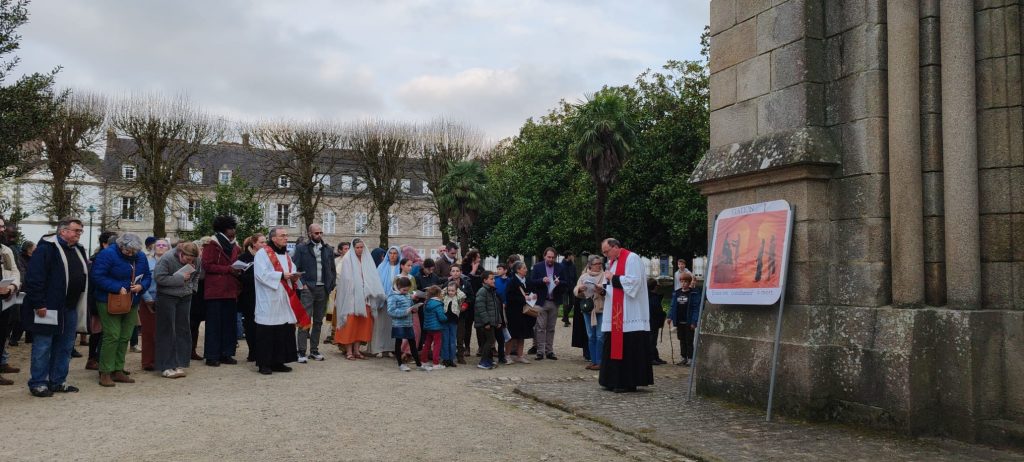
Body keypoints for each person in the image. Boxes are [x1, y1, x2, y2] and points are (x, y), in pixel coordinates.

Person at [22, 217, 89, 396]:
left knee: (66, 346)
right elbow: (34, 278)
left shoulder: (78, 249)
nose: (79, 234)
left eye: (80, 231)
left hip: (70, 307)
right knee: (43, 345)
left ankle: (58, 381)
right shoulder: (46, 249)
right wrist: (39, 304)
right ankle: (38, 383)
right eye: (76, 231)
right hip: (48, 307)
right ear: (63, 231)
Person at [91, 233, 152, 387]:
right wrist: (117, 287)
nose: (131, 254)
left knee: (125, 335)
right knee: (112, 335)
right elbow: (97, 276)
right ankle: (105, 371)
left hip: (132, 301)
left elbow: (147, 276)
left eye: (134, 252)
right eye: (128, 251)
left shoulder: (141, 256)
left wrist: (141, 286)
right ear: (120, 246)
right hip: (109, 300)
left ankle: (118, 369)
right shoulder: (107, 254)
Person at [598, 238, 653, 392]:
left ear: (615, 247)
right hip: (616, 313)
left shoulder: (632, 258)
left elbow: (634, 283)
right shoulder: (613, 262)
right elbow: (613, 288)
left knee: (628, 348)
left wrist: (612, 278)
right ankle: (612, 380)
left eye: (606, 251)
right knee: (612, 345)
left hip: (630, 313)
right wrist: (602, 289)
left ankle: (627, 382)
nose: (605, 255)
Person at [252, 227, 303, 375]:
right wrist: (281, 275)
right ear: (273, 238)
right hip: (269, 297)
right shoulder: (263, 253)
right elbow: (261, 274)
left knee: (283, 329)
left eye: (286, 235)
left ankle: (279, 361)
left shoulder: (286, 254)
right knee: (267, 331)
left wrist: (294, 276)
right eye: (283, 235)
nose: (286, 238)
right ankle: (264, 364)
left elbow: (291, 269)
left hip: (283, 297)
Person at [152, 241, 200, 378]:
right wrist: (179, 278)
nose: (189, 262)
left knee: (183, 330)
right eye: (186, 259)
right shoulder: (166, 258)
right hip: (167, 297)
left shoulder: (196, 259)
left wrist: (192, 288)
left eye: (192, 260)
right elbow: (159, 278)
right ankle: (165, 366)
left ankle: (179, 363)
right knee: (167, 331)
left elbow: (197, 274)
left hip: (185, 297)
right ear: (181, 253)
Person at [200, 216, 242, 367]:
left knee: (229, 324)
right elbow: (207, 265)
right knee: (214, 325)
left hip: (230, 289)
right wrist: (228, 269)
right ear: (225, 229)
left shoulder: (235, 246)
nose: (234, 231)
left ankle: (226, 353)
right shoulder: (211, 244)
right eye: (231, 228)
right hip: (215, 290)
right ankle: (211, 355)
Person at [334, 238, 385, 360]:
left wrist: (369, 287)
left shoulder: (367, 259)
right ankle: (349, 351)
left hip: (365, 297)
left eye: (362, 247)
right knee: (350, 323)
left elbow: (372, 276)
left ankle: (357, 350)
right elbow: (346, 279)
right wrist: (357, 286)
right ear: (353, 248)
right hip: (351, 297)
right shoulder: (347, 259)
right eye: (357, 247)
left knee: (361, 324)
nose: (360, 249)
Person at [292, 223, 336, 363]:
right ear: (310, 233)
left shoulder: (328, 249)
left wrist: (330, 285)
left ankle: (314, 350)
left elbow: (332, 269)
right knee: (305, 320)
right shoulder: (301, 248)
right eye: (316, 233)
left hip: (323, 288)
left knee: (318, 321)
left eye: (321, 232)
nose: (319, 235)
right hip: (308, 288)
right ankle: (301, 352)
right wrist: (302, 284)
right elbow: (295, 267)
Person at [85, 231, 117, 370]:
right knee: (98, 331)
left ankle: (102, 359)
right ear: (105, 244)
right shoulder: (97, 259)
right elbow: (95, 281)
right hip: (98, 299)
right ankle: (93, 358)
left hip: (109, 299)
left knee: (105, 332)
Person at [529, 247, 567, 361]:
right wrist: (542, 280)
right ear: (545, 256)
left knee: (551, 328)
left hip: (554, 301)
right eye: (549, 257)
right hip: (542, 301)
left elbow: (567, 283)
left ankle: (549, 351)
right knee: (540, 328)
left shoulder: (560, 267)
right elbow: (531, 282)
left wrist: (559, 282)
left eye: (553, 257)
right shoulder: (537, 267)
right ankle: (540, 352)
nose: (551, 259)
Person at [139, 238, 170, 371]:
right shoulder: (146, 262)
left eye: (164, 245)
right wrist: (147, 299)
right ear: (153, 248)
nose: (161, 247)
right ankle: (148, 361)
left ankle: (162, 359)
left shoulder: (172, 263)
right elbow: (141, 281)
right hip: (149, 299)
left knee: (165, 332)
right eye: (158, 245)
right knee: (149, 332)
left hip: (167, 300)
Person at [235, 234, 265, 362]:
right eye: (262, 242)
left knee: (261, 324)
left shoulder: (266, 257)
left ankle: (261, 350)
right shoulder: (244, 258)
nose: (265, 245)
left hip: (263, 295)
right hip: (248, 296)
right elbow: (239, 277)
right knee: (250, 324)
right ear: (254, 243)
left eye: (265, 242)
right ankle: (252, 351)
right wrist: (256, 277)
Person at [575, 254, 607, 371]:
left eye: (600, 264)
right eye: (596, 264)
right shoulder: (584, 276)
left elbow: (608, 291)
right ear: (590, 265)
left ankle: (600, 361)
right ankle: (593, 361)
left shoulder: (604, 276)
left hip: (601, 308)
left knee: (600, 336)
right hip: (588, 309)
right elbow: (576, 289)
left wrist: (601, 290)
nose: (598, 266)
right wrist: (580, 289)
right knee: (590, 335)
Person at [0, 217, 22, 385]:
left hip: (4, 299)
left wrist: (12, 287)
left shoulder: (5, 250)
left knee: (2, 336)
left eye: (2, 227)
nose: (2, 230)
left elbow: (14, 271)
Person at [386, 276, 422, 371]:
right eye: (404, 290)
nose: (406, 292)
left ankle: (419, 365)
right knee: (398, 343)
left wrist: (414, 309)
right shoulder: (392, 296)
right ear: (398, 287)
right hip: (398, 324)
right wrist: (405, 311)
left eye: (407, 290)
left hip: (409, 323)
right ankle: (400, 364)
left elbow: (410, 307)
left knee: (413, 344)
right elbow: (391, 311)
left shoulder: (407, 295)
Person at [370, 246, 401, 356]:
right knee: (380, 325)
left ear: (398, 255)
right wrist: (383, 295)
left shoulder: (400, 268)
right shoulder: (381, 267)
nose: (392, 255)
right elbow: (377, 282)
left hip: (396, 300)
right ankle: (379, 348)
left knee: (392, 325)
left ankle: (390, 348)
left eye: (395, 253)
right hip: (382, 299)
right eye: (390, 253)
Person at [504, 261, 535, 364]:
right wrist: (524, 298)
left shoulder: (528, 280)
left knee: (522, 334)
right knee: (512, 334)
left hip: (524, 312)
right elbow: (510, 297)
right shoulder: (512, 282)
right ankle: (507, 355)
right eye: (524, 268)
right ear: (518, 270)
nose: (526, 269)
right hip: (514, 312)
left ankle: (520, 355)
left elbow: (531, 292)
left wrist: (533, 296)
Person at [7, 240, 35, 348]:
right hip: (22, 290)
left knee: (25, 315)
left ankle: (28, 337)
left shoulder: (32, 259)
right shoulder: (21, 259)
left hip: (28, 290)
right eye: (34, 248)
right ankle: (13, 338)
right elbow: (22, 274)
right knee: (18, 316)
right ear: (29, 250)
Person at [473, 271, 501, 370]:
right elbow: (481, 308)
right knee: (489, 341)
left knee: (489, 341)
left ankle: (489, 360)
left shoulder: (491, 291)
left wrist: (498, 321)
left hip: (491, 322)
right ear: (485, 280)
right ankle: (483, 361)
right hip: (485, 323)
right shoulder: (483, 291)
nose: (494, 280)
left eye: (494, 278)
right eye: (491, 279)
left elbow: (495, 308)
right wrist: (487, 322)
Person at [447, 265, 474, 364]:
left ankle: (460, 356)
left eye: (457, 271)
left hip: (462, 314)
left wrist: (465, 304)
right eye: (453, 271)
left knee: (460, 335)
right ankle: (449, 356)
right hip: (450, 315)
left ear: (461, 272)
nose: (455, 273)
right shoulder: (446, 284)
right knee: (450, 335)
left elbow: (471, 297)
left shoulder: (466, 284)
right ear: (450, 273)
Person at [668, 272, 695, 366]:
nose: (683, 283)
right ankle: (683, 357)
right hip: (679, 321)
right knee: (682, 340)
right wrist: (669, 317)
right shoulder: (677, 293)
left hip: (689, 321)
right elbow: (672, 306)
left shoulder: (693, 293)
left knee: (689, 340)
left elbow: (695, 308)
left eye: (686, 282)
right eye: (682, 281)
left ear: (689, 282)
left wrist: (694, 321)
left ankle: (691, 358)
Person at [460, 250, 483, 356]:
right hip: (468, 301)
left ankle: (481, 347)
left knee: (479, 325)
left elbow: (481, 282)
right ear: (473, 258)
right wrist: (473, 271)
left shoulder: (481, 269)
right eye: (478, 257)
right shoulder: (464, 268)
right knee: (467, 326)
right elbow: (466, 281)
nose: (480, 259)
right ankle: (467, 347)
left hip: (478, 301)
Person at [418, 285, 445, 370]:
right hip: (437, 328)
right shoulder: (438, 304)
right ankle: (436, 363)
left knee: (427, 344)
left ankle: (423, 360)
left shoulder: (426, 303)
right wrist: (446, 317)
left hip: (428, 327)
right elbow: (441, 317)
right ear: (438, 294)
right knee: (437, 345)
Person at [440, 281, 464, 367]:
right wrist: (446, 288)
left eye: (452, 290)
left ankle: (451, 359)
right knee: (445, 340)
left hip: (454, 322)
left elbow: (463, 295)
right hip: (445, 321)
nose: (450, 292)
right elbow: (441, 293)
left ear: (456, 291)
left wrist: (457, 290)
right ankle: (445, 359)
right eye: (449, 290)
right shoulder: (445, 297)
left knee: (452, 341)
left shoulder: (458, 297)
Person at [647, 278, 667, 365]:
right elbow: (657, 311)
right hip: (652, 322)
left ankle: (655, 357)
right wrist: (663, 315)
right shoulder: (653, 298)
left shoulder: (650, 296)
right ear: (655, 287)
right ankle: (651, 358)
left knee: (652, 341)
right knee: (652, 341)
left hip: (652, 322)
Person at [560, 251, 577, 327]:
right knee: (565, 304)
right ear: (568, 256)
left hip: (572, 287)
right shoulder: (561, 265)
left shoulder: (573, 265)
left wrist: (575, 285)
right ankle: (566, 321)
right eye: (571, 256)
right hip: (564, 287)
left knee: (572, 302)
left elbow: (575, 276)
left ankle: (564, 317)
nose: (573, 257)